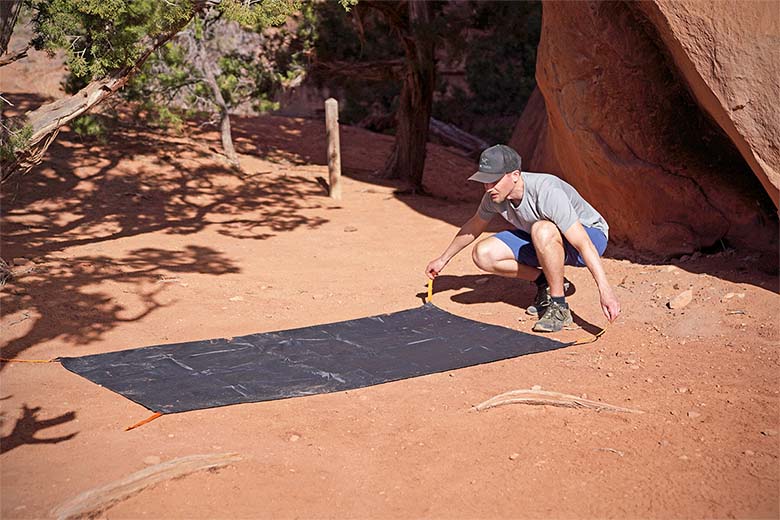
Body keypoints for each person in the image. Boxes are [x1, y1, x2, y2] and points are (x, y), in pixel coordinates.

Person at [425, 144, 620, 332]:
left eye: (494, 181)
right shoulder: (494, 198)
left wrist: (605, 291)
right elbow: (474, 226)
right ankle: (545, 281)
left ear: (515, 175)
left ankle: (559, 306)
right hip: (544, 238)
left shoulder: (547, 191)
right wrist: (443, 259)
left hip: (588, 237)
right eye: (485, 181)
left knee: (541, 228)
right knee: (483, 254)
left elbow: (583, 243)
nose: (488, 188)